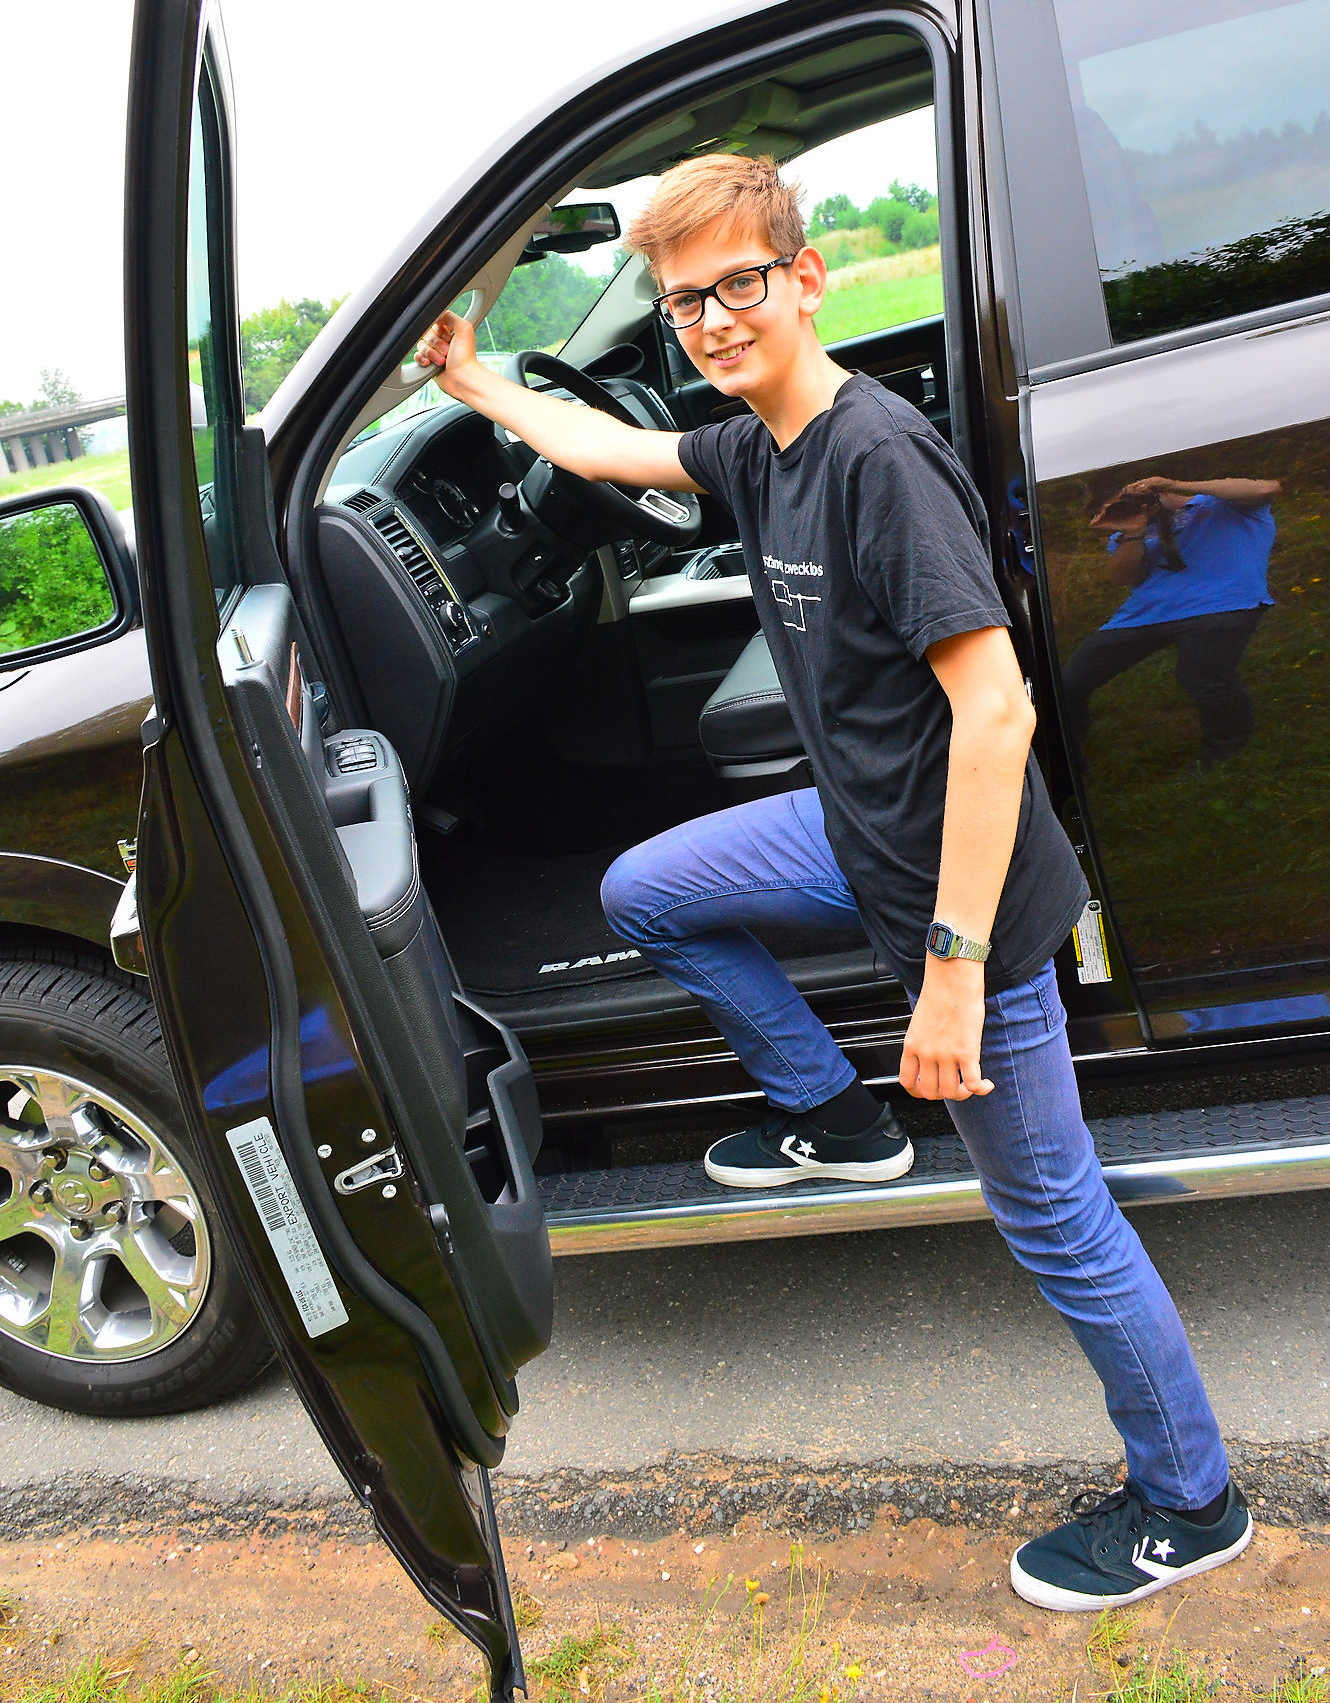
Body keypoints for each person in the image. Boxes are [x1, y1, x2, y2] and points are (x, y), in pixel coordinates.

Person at [415, 153, 1252, 1612]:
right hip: (861, 831)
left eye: (739, 284)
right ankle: (834, 1112)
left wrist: (950, 973)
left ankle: (1192, 1498)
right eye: (684, 302)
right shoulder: (761, 447)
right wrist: (475, 381)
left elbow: (994, 714)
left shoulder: (873, 457)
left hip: (962, 892)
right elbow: (611, 451)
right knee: (647, 889)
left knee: (1053, 1216)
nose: (712, 320)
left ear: (804, 278)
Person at [1062, 476, 1280, 770]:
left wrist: (1176, 486)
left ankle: (1227, 751)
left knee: (1202, 676)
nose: (1133, 505)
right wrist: (1133, 531)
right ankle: (1070, 751)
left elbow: (1267, 488)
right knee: (1069, 682)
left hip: (1222, 602)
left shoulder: (1219, 505)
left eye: (1133, 498)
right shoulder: (1130, 533)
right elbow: (1123, 577)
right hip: (1144, 615)